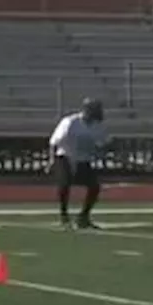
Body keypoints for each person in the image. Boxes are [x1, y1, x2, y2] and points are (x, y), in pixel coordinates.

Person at [48, 98, 110, 230]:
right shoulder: (70, 122)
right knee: (65, 184)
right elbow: (54, 142)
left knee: (94, 187)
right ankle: (64, 216)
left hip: (83, 160)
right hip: (65, 156)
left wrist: (102, 151)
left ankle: (83, 217)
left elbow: (103, 143)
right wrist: (52, 160)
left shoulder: (98, 125)